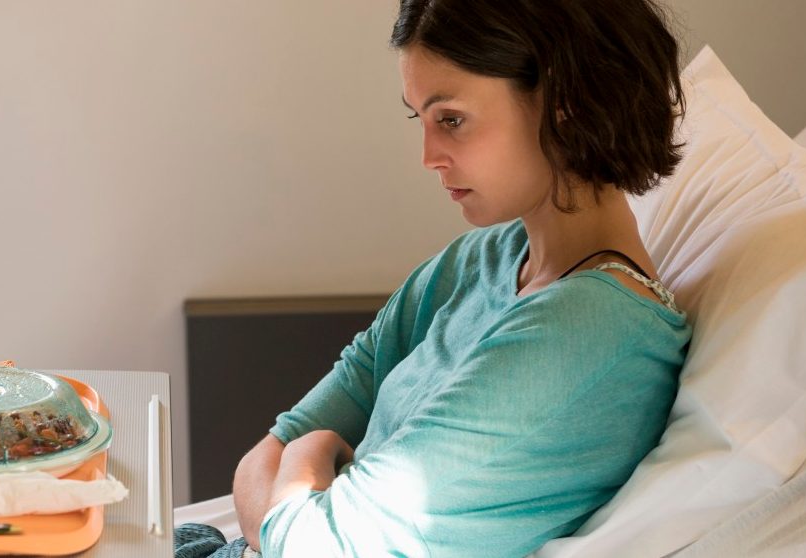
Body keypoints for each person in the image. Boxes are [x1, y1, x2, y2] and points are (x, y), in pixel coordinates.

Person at [176, 0, 692, 556]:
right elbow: (266, 453)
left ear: (565, 104)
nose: (428, 156)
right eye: (418, 118)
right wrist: (296, 464)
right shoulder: (479, 260)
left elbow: (310, 541)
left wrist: (315, 448)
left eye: (451, 119)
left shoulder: (592, 331)